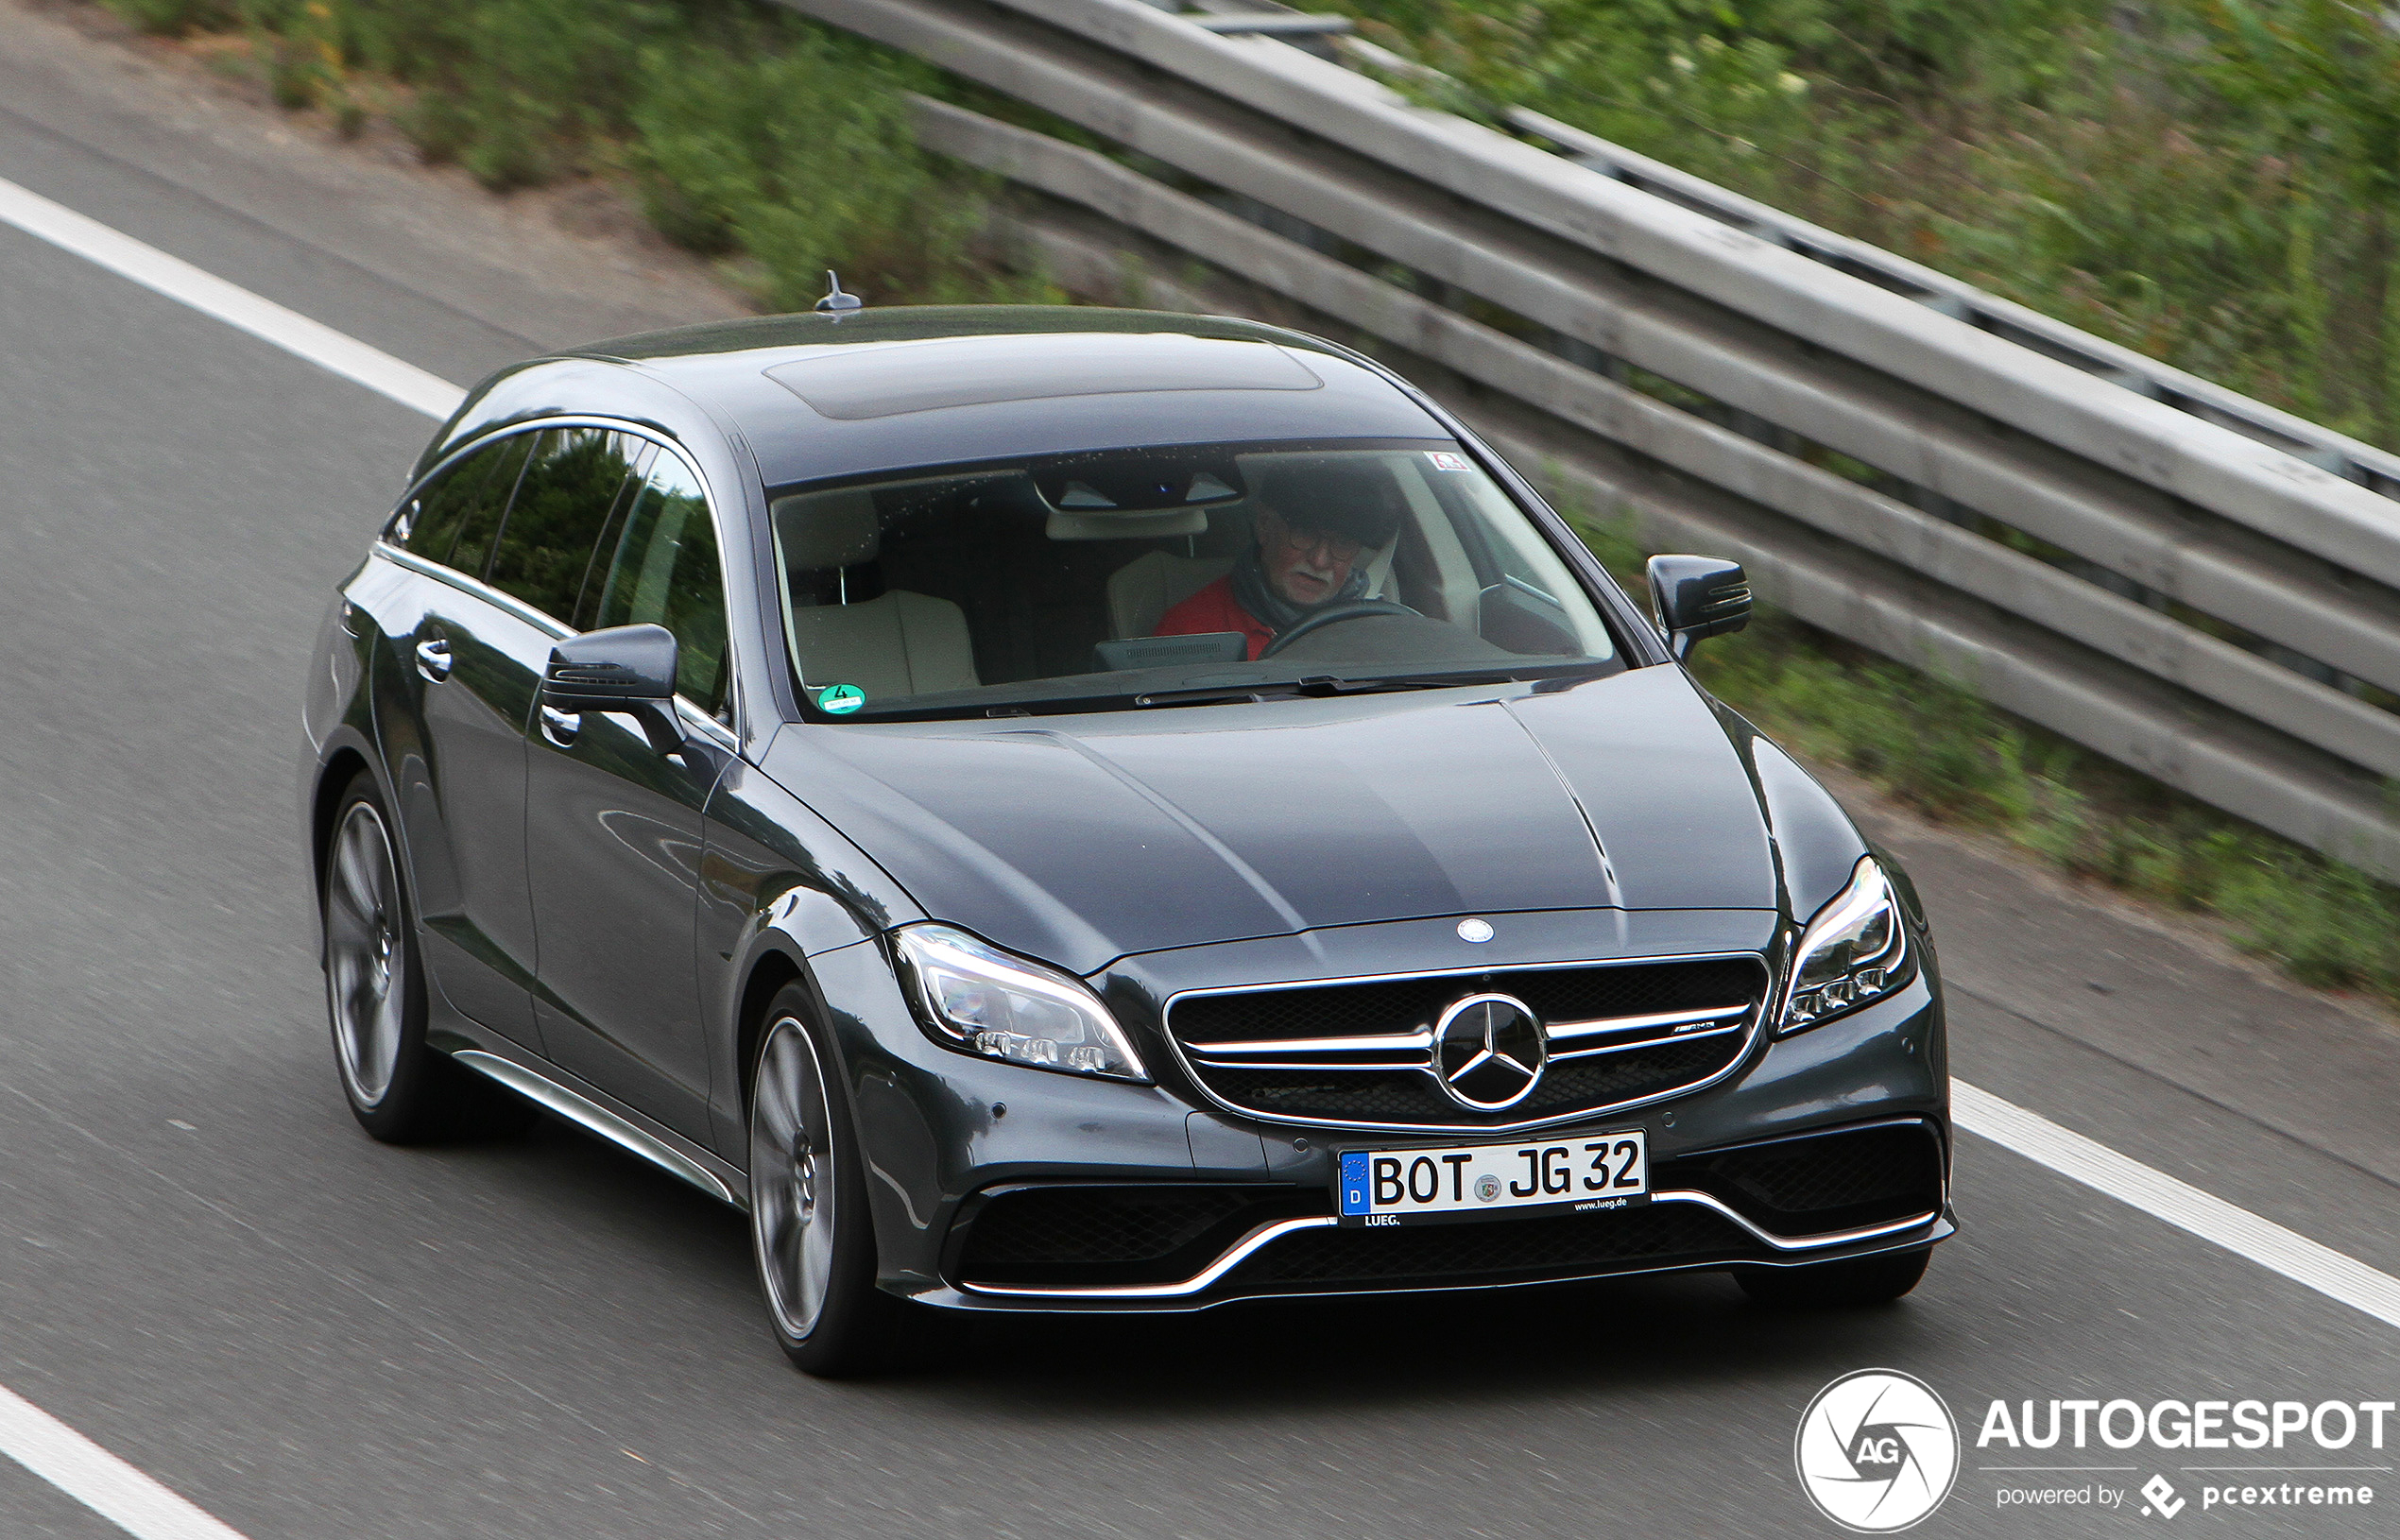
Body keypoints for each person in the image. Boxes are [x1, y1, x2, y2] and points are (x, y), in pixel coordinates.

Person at [1153, 461, 1405, 659]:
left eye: (1342, 543)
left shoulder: (1384, 631)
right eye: (1304, 534)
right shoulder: (1188, 631)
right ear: (1264, 525)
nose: (1319, 561)